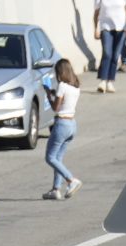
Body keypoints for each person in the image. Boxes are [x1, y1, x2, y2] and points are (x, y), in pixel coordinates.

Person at [42, 59, 82, 200]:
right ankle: (55, 189)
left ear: (60, 72)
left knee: (50, 157)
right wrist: (54, 93)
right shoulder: (75, 86)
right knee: (58, 158)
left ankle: (71, 180)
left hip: (61, 124)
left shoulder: (62, 86)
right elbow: (65, 102)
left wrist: (48, 92)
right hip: (72, 124)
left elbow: (56, 108)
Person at [95, 0, 126, 91]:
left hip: (121, 29)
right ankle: (103, 81)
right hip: (106, 28)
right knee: (107, 53)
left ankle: (110, 81)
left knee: (115, 56)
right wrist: (96, 28)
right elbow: (96, 13)